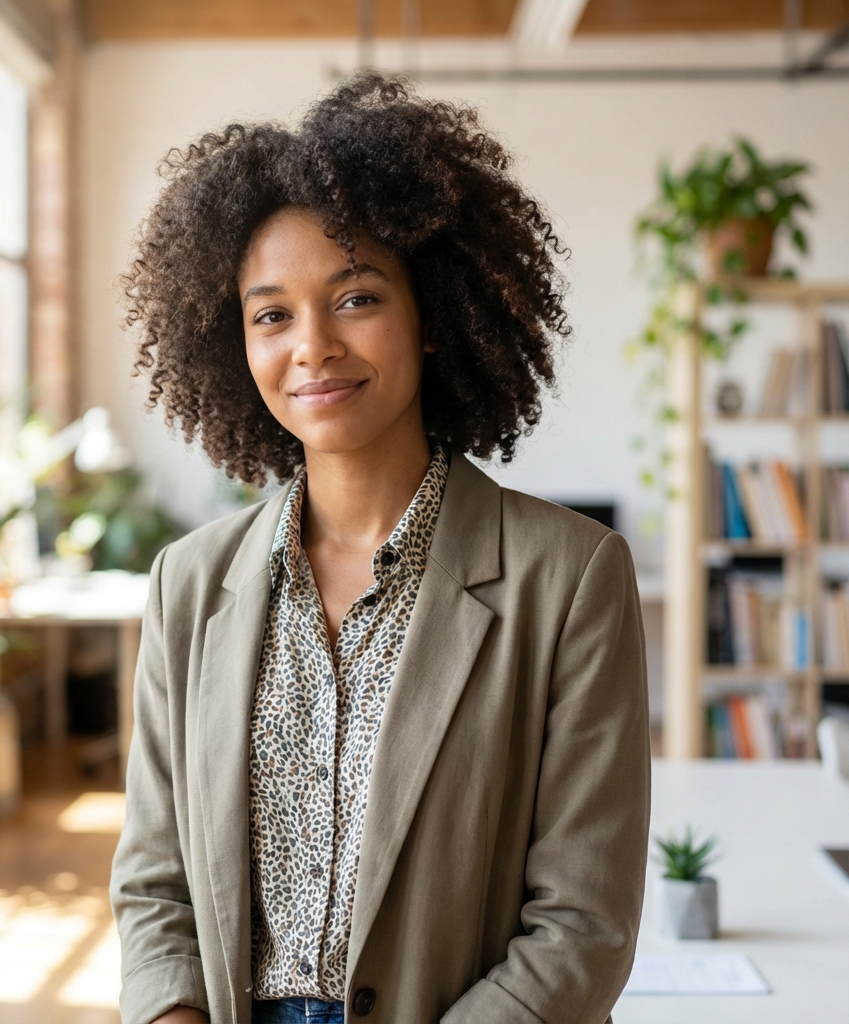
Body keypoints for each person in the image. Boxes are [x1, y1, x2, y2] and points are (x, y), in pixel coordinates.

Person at [110, 74, 650, 1024]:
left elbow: (582, 926)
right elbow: (155, 888)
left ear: (432, 316)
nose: (312, 346)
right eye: (271, 314)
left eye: (355, 297)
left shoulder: (570, 578)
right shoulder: (186, 584)